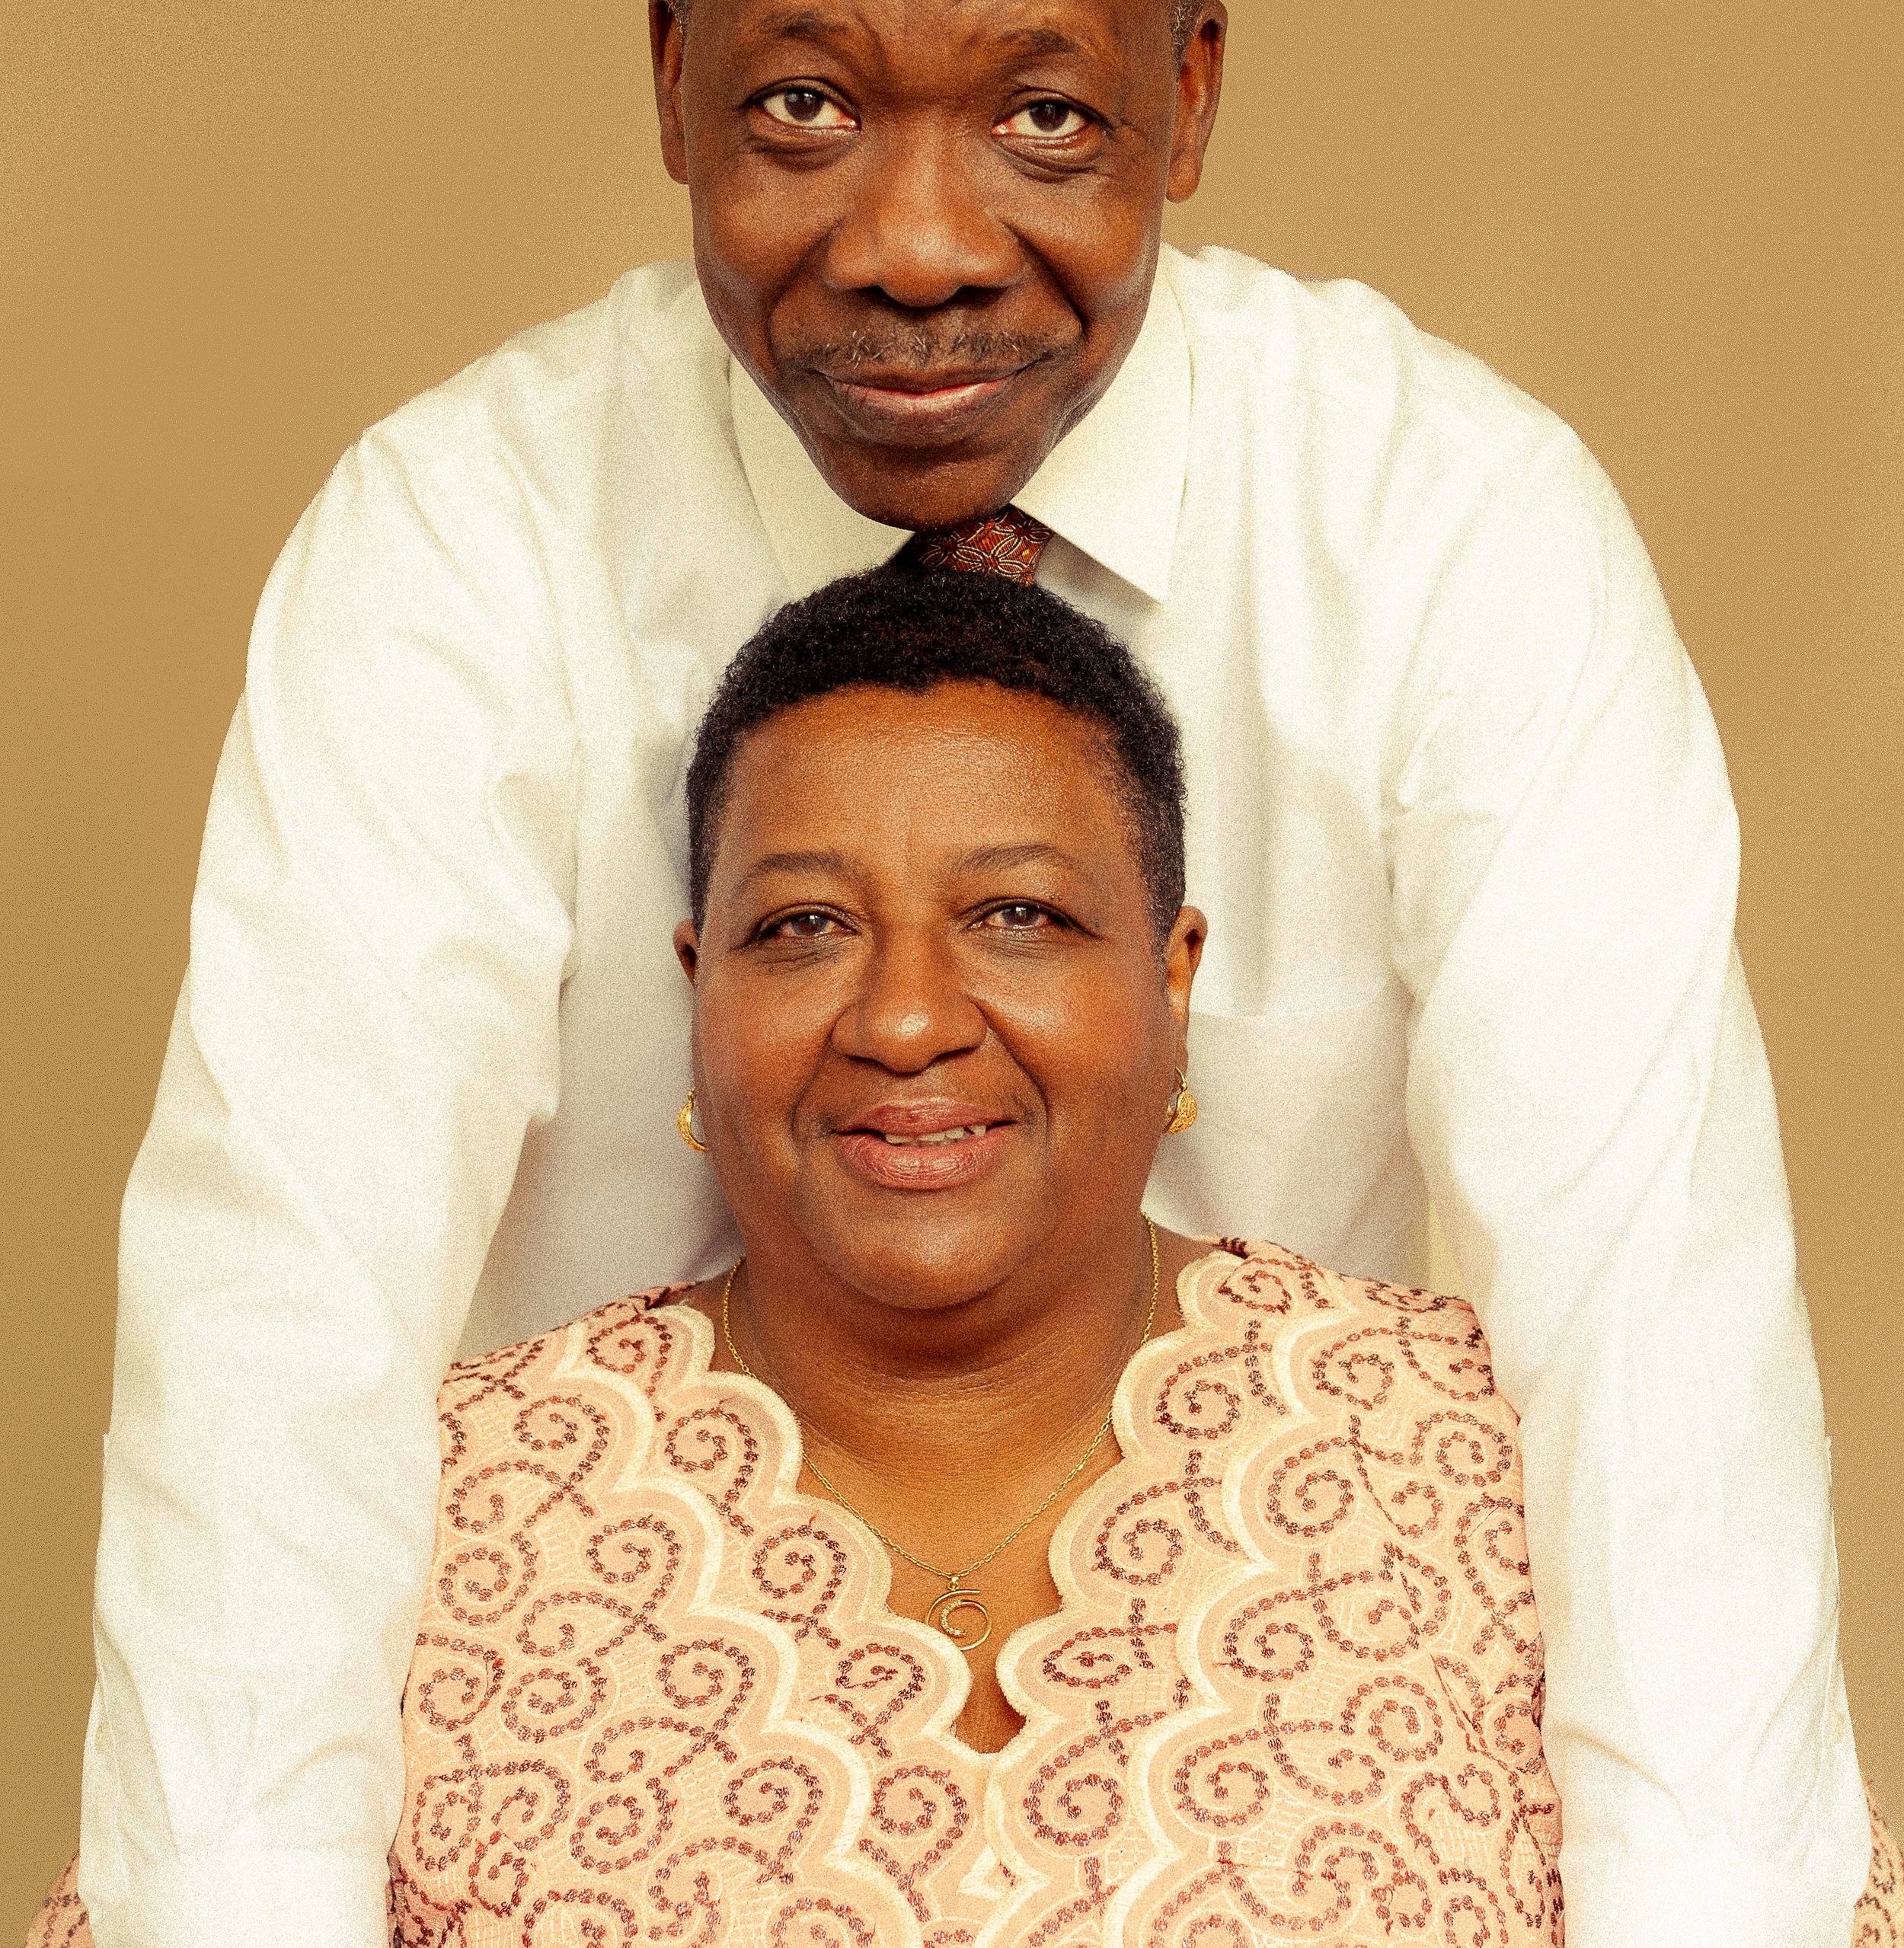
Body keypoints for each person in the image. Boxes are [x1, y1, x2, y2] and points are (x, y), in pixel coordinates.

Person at [78, 0, 1868, 1948]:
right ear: (666, 75)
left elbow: (1658, 1359)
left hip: (1275, 1795)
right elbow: (270, 1348)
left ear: (1190, 97)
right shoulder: (455, 544)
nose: (915, 247)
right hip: (591, 1789)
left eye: (1044, 117)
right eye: (803, 107)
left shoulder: (1454, 530)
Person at [37, 572, 1901, 1946]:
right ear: (697, 994)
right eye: (801, 927)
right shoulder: (423, 1514)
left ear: (1168, 979)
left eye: (1016, 913)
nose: (906, 1016)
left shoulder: (1484, 1459)